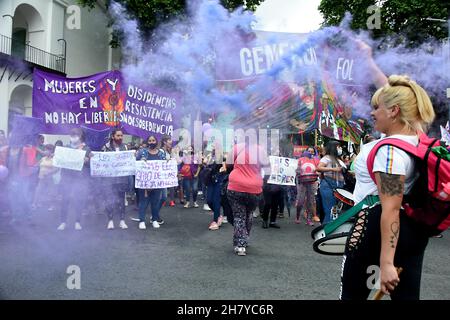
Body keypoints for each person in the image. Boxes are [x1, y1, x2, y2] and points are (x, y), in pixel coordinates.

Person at [340, 74, 436, 300]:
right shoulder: (419, 141)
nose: (373, 113)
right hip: (414, 232)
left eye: (378, 107)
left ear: (393, 111)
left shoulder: (390, 152)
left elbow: (391, 208)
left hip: (376, 232)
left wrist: (386, 263)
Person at [227, 141, 269, 256]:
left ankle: (240, 245)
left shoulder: (237, 147)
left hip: (236, 186)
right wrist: (263, 182)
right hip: (254, 188)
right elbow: (268, 168)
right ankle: (245, 238)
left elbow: (228, 164)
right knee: (249, 213)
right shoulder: (261, 150)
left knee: (239, 216)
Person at [57, 128, 91, 231]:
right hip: (67, 178)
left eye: (76, 134)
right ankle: (63, 222)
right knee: (65, 200)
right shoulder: (66, 148)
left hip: (80, 179)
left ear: (81, 136)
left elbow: (89, 164)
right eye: (72, 134)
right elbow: (61, 160)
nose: (74, 136)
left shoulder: (86, 149)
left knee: (78, 200)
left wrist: (87, 161)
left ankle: (77, 221)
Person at [101, 128, 129, 230]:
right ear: (113, 136)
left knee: (121, 200)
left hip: (122, 179)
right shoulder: (106, 147)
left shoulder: (125, 147)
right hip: (109, 179)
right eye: (118, 135)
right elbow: (101, 162)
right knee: (109, 199)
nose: (120, 137)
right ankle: (110, 220)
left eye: (121, 135)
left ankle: (122, 221)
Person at [136, 135, 166, 229]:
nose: (151, 142)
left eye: (153, 140)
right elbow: (135, 163)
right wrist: (140, 161)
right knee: (143, 202)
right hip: (145, 183)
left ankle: (154, 219)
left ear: (156, 141)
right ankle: (142, 220)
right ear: (147, 142)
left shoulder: (161, 152)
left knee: (155, 202)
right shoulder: (142, 152)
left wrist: (168, 162)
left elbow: (165, 164)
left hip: (157, 182)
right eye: (150, 140)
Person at [316, 141, 345, 224]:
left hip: (338, 186)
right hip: (328, 186)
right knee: (330, 209)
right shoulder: (326, 158)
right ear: (333, 148)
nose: (340, 149)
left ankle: (330, 229)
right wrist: (333, 169)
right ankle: (326, 230)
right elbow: (318, 168)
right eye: (338, 147)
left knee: (335, 210)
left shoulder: (337, 159)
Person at [295, 147, 320, 225]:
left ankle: (309, 220)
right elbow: (297, 170)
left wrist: (317, 173)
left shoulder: (316, 160)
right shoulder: (300, 160)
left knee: (310, 201)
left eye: (312, 152)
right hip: (302, 183)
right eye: (309, 151)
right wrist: (299, 172)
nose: (310, 153)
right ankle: (297, 216)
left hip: (312, 182)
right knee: (300, 201)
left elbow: (318, 170)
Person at [159, 135, 176, 208]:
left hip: (169, 173)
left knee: (171, 187)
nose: (171, 141)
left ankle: (170, 200)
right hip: (162, 175)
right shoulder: (160, 151)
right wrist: (167, 161)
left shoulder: (169, 151)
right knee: (164, 195)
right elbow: (159, 162)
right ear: (164, 142)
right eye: (169, 140)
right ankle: (161, 202)